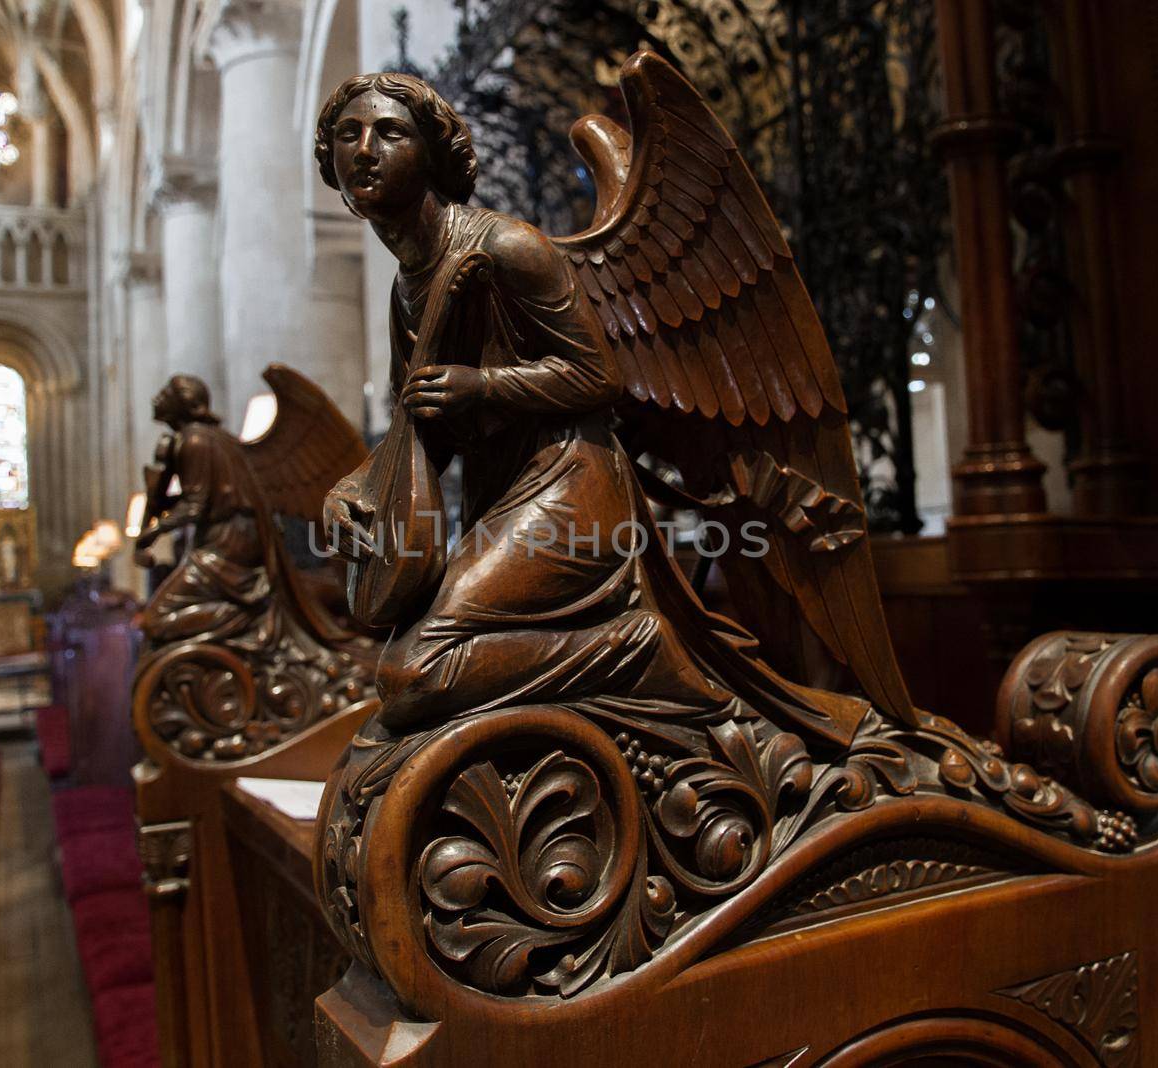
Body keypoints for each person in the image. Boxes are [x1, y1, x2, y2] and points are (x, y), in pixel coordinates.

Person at [316, 73, 860, 742]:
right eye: (349, 135)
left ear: (431, 151)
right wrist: (352, 487)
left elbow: (598, 376)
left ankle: (639, 648)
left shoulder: (507, 247)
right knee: (406, 668)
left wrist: (482, 387)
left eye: (389, 132)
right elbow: (422, 425)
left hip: (572, 488)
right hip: (499, 497)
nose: (365, 149)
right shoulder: (408, 284)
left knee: (415, 672)